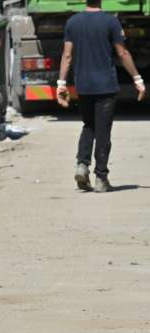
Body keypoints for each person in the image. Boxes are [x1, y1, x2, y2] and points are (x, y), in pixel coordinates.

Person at [57, 0, 145, 192]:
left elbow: (67, 55)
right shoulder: (110, 22)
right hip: (105, 86)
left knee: (89, 125)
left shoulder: (72, 22)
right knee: (103, 131)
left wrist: (61, 84)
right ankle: (101, 178)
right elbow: (122, 53)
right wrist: (137, 79)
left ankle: (82, 165)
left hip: (84, 86)